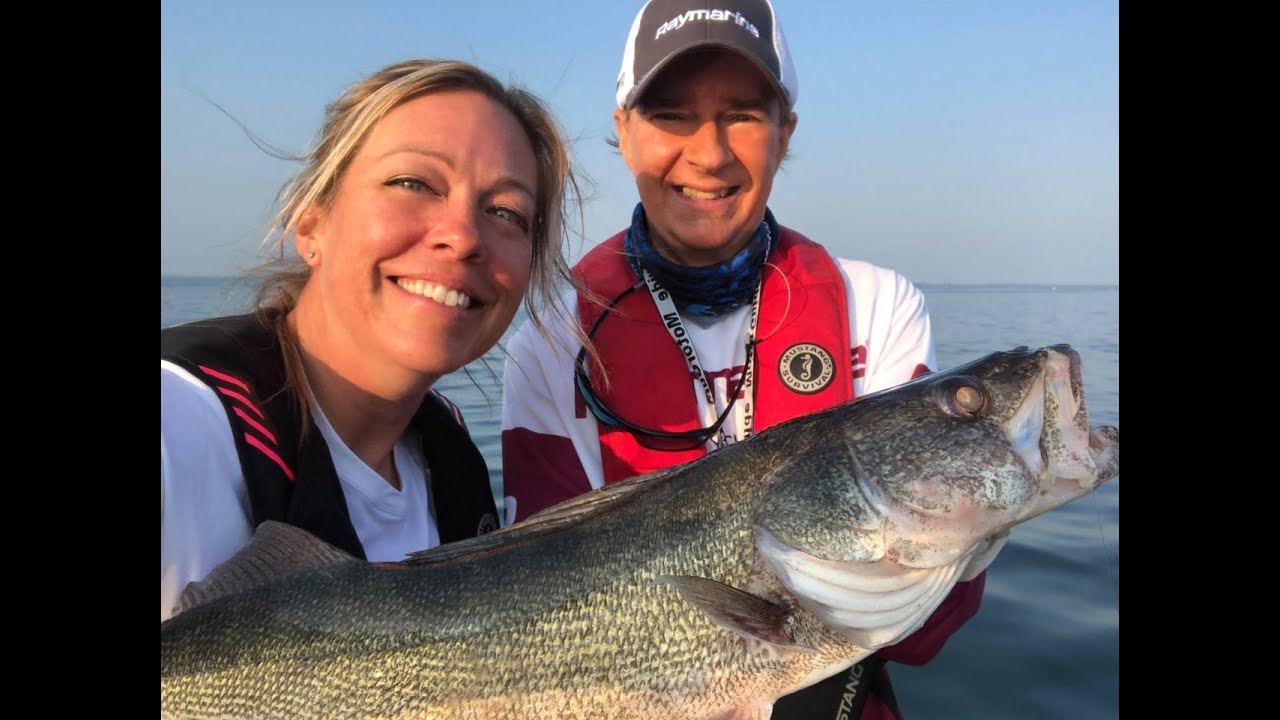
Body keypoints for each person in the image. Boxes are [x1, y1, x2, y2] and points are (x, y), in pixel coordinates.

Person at [500, 2, 1006, 718]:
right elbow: (540, 616)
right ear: (624, 132)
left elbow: (921, 632)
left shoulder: (877, 305)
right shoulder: (553, 343)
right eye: (671, 115)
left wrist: (981, 518)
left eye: (741, 115)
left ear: (784, 133)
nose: (709, 154)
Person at [161, 58, 589, 622]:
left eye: (507, 212)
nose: (464, 236)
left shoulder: (449, 463)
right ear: (312, 224)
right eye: (413, 183)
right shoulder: (179, 422)